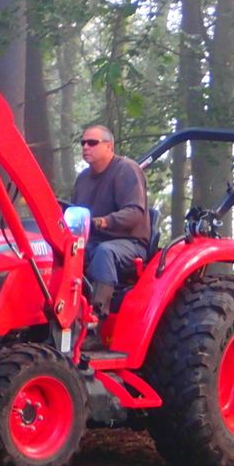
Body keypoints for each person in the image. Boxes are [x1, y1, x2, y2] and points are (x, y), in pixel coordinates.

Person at [71, 124, 150, 327]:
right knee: (64, 254)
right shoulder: (82, 179)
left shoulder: (126, 170)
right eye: (83, 143)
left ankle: (96, 320)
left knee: (105, 252)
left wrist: (103, 221)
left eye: (92, 143)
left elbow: (134, 213)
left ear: (109, 146)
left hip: (129, 243)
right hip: (93, 241)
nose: (85, 147)